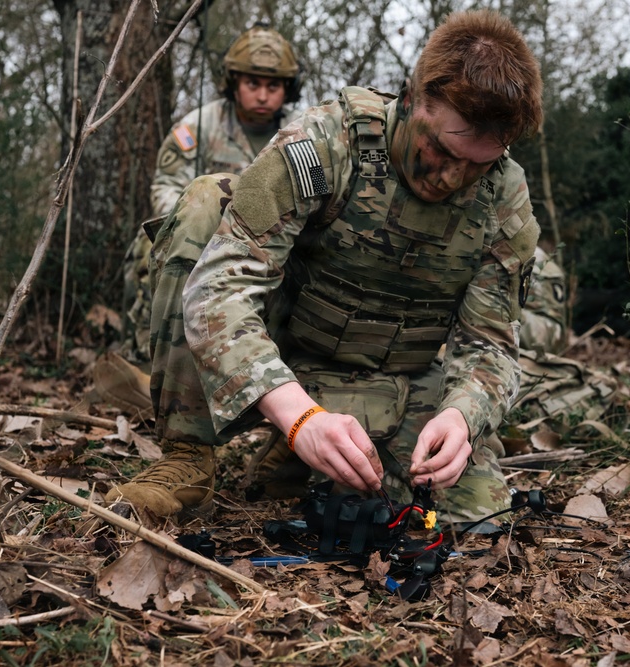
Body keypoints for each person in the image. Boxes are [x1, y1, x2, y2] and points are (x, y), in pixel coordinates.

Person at [105, 10, 544, 528]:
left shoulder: (505, 198)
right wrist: (300, 419)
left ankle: (297, 457)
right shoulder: (327, 144)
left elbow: (490, 345)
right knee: (205, 200)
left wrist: (462, 416)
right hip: (286, 352)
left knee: (475, 519)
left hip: (394, 380)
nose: (453, 176)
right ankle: (188, 455)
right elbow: (220, 289)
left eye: (480, 164)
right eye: (443, 150)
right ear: (411, 102)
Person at [120, 23, 303, 366]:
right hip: (206, 238)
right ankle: (151, 357)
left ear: (287, 88)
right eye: (253, 84)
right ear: (233, 83)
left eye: (273, 85)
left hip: (276, 246)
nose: (263, 95)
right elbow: (167, 186)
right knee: (148, 245)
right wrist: (202, 225)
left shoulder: (301, 133)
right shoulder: (199, 127)